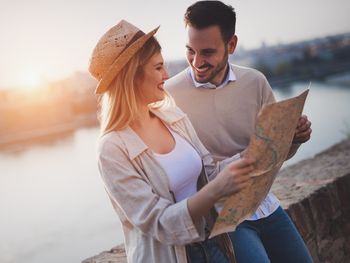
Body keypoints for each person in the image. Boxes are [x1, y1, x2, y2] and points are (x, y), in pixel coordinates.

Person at [88, 19, 255, 263]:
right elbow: (158, 222)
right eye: (157, 68)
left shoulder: (171, 116)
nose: (166, 75)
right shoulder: (111, 148)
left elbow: (209, 171)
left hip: (212, 243)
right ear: (132, 76)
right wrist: (217, 189)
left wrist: (266, 148)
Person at [166, 1, 313, 263]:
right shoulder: (169, 96)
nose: (197, 62)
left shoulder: (255, 82)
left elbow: (274, 154)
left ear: (231, 45)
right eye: (190, 50)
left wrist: (294, 139)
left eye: (207, 52)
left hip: (265, 205)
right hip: (222, 220)